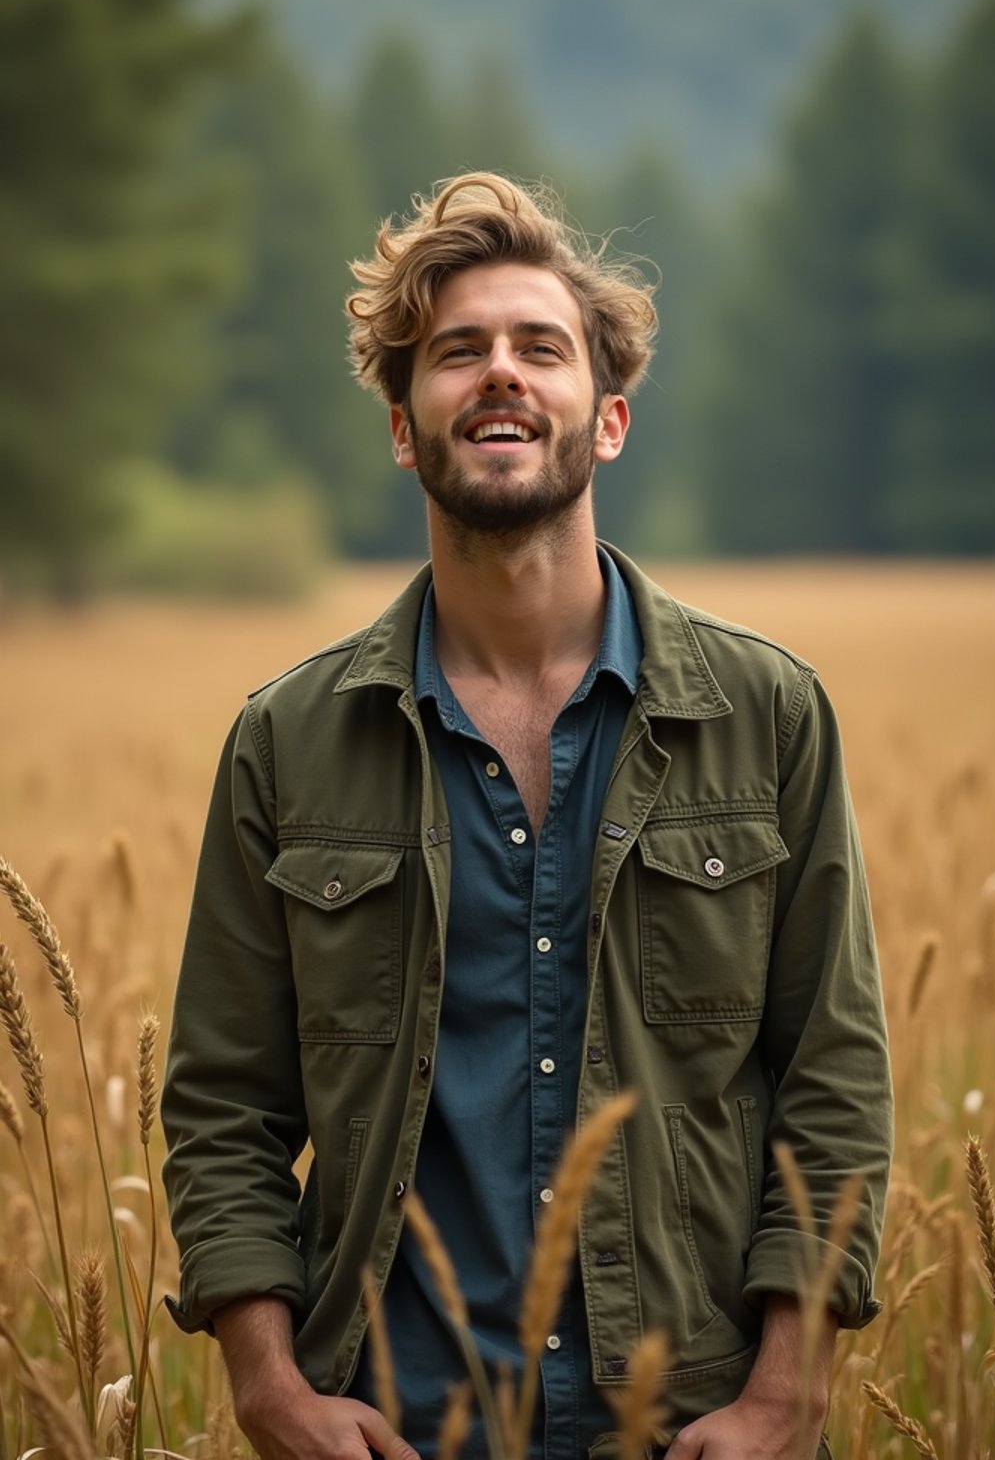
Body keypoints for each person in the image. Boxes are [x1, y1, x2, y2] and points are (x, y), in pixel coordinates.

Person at [162, 173, 893, 1460]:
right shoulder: (288, 742)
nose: (499, 373)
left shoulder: (766, 714)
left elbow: (829, 1080)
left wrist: (784, 1393)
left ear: (605, 420)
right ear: (403, 427)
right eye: (457, 353)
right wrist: (270, 1386)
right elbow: (226, 1103)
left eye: (537, 348)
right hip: (396, 1422)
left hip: (681, 1423)